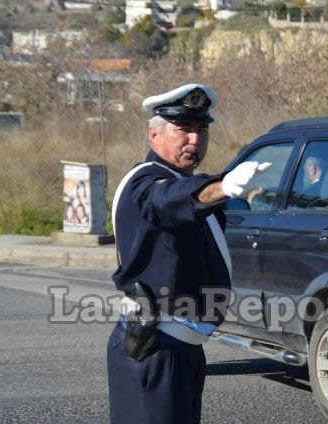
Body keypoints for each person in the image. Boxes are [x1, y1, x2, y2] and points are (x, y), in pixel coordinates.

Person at [107, 83, 270, 424]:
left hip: (182, 348)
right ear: (155, 134)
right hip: (155, 347)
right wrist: (221, 187)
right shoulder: (146, 184)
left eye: (202, 129)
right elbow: (170, 200)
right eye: (184, 130)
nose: (195, 140)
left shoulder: (180, 181)